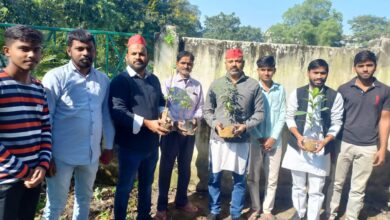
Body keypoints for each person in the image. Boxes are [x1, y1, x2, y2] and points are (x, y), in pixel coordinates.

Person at [42, 29, 115, 220]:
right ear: (69, 51)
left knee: (84, 200)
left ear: (95, 51)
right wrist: (46, 154)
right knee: (55, 205)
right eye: (79, 49)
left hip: (91, 155)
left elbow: (106, 115)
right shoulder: (55, 77)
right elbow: (46, 117)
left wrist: (108, 146)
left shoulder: (103, 80)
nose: (85, 53)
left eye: (89, 49)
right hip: (61, 156)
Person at [110, 34, 170, 220]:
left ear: (148, 56)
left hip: (152, 145)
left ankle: (143, 216)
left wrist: (164, 114)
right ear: (127, 56)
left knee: (146, 185)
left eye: (142, 54)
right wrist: (146, 123)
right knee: (125, 187)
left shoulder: (153, 80)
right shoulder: (121, 81)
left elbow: (160, 101)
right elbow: (117, 111)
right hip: (129, 147)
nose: (138, 57)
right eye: (134, 54)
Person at [327, 50, 390, 220]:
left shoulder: (384, 91)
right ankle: (330, 214)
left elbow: (385, 120)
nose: (365, 69)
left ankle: (351, 217)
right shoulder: (344, 89)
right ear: (354, 68)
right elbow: (336, 118)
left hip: (369, 146)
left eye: (369, 65)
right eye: (361, 66)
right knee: (336, 183)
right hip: (343, 143)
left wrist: (382, 148)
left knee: (358, 187)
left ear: (375, 67)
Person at [203, 48, 264, 220]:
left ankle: (235, 213)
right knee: (214, 177)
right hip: (218, 140)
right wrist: (215, 124)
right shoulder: (216, 84)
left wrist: (245, 126)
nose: (234, 64)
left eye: (237, 61)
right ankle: (214, 210)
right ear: (225, 63)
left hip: (242, 140)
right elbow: (207, 110)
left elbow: (259, 113)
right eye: (231, 61)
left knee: (239, 179)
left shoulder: (253, 85)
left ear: (243, 63)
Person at [281, 59, 344, 220]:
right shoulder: (298, 93)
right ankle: (300, 213)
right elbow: (289, 118)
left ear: (327, 74)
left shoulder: (334, 96)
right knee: (298, 186)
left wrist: (325, 141)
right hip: (298, 147)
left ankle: (313, 217)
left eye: (323, 73)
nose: (319, 76)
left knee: (316, 189)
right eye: (316, 72)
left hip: (320, 149)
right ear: (308, 73)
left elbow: (337, 122)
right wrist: (299, 137)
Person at [0, 25, 51, 220]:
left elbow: (45, 129)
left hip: (33, 178)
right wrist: (24, 171)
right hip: (6, 181)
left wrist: (42, 165)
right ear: (7, 51)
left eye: (36, 49)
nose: (31, 54)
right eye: (24, 48)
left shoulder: (38, 88)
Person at [155, 51, 204, 220]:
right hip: (171, 133)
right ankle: (161, 207)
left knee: (185, 167)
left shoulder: (196, 86)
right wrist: (174, 123)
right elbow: (162, 107)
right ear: (177, 64)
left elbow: (200, 107)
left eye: (189, 63)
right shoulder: (168, 84)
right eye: (183, 63)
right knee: (166, 168)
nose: (186, 66)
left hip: (188, 134)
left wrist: (196, 119)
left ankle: (181, 201)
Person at [247, 56, 286, 220]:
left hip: (275, 141)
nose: (266, 73)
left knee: (272, 177)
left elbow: (283, 114)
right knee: (253, 176)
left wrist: (273, 138)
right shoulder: (252, 89)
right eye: (263, 69)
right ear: (258, 71)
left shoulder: (280, 89)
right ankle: (255, 208)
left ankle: (268, 210)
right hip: (255, 140)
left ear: (274, 70)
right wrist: (258, 137)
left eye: (269, 69)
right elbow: (248, 115)